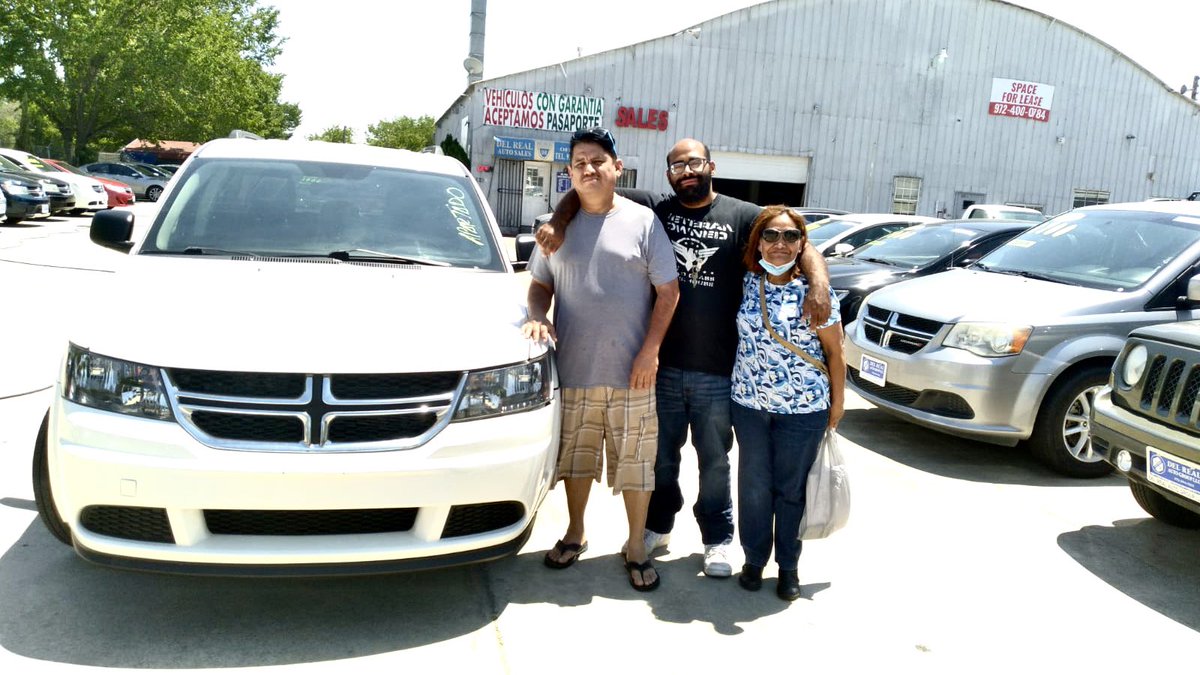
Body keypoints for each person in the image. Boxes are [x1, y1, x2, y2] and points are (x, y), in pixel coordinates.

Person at [536, 138, 832, 578]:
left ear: (711, 166)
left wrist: (819, 284)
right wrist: (559, 221)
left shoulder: (741, 215)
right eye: (677, 166)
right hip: (662, 367)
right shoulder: (657, 208)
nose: (687, 171)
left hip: (718, 368)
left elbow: (796, 239)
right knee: (660, 461)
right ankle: (657, 527)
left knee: (714, 462)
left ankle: (716, 539)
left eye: (694, 163)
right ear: (668, 174)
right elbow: (588, 187)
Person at [523, 127, 680, 592]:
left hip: (634, 374)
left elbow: (669, 292)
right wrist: (537, 315)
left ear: (617, 168)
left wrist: (650, 351)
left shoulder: (643, 221)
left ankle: (635, 545)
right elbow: (540, 284)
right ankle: (575, 532)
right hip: (573, 369)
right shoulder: (555, 229)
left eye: (597, 160)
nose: (588, 169)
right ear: (569, 173)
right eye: (579, 163)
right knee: (575, 461)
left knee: (636, 465)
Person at [730, 205, 845, 602]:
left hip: (803, 409)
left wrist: (837, 405)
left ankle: (788, 566)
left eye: (790, 236)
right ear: (758, 242)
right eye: (771, 235)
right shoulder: (747, 283)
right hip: (749, 404)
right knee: (753, 487)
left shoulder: (817, 295)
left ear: (801, 244)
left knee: (791, 491)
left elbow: (836, 354)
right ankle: (754, 559)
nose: (780, 244)